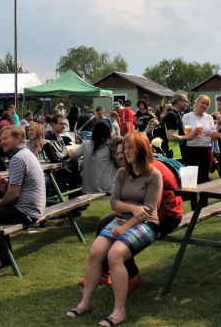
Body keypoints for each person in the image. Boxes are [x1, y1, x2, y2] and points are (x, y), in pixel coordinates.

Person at [66, 132, 163, 326]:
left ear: (141, 149)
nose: (125, 152)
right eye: (124, 148)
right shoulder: (122, 173)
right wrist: (132, 208)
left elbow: (148, 211)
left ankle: (119, 312)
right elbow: (114, 203)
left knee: (115, 255)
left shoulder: (154, 175)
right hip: (122, 219)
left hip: (146, 224)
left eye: (130, 148)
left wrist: (127, 225)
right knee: (95, 252)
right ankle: (85, 303)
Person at [0, 125, 46, 280]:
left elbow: (13, 193)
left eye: (5, 139)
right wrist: (0, 204)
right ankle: (4, 260)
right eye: (1, 138)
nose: (1, 142)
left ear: (18, 139)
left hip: (26, 210)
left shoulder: (18, 158)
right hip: (33, 207)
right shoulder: (26, 153)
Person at [69, 121, 119, 194]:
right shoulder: (111, 147)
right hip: (107, 188)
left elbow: (73, 156)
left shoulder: (86, 144)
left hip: (87, 188)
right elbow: (120, 165)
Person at [181, 95, 215, 185]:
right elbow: (184, 134)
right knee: (192, 178)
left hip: (206, 149)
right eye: (203, 103)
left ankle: (203, 198)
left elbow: (213, 134)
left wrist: (215, 135)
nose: (204, 106)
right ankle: (193, 199)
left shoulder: (209, 118)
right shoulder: (187, 116)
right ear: (197, 103)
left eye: (207, 104)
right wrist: (193, 133)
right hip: (192, 149)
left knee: (204, 177)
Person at [162, 92, 190, 160]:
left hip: (175, 153)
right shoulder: (172, 116)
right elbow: (171, 136)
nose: (187, 104)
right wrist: (186, 137)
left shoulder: (174, 114)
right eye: (186, 101)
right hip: (174, 154)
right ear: (178, 101)